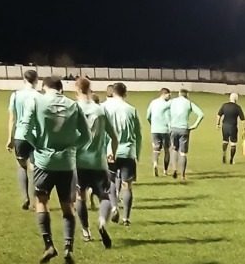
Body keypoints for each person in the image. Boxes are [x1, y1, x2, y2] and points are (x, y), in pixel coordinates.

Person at [17, 77, 90, 264]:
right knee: (68, 207)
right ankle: (68, 247)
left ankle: (49, 245)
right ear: (61, 88)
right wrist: (72, 149)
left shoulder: (36, 101)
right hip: (67, 164)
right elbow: (86, 136)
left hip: (44, 163)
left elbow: (23, 131)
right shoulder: (73, 105)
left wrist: (37, 145)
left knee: (41, 202)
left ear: (44, 87)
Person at [73, 78, 118, 248]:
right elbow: (114, 137)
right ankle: (101, 222)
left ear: (76, 89)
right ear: (90, 89)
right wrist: (112, 153)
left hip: (78, 161)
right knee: (105, 196)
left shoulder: (73, 109)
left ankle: (85, 231)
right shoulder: (100, 110)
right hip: (98, 161)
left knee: (80, 196)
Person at [102, 82, 143, 226]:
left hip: (111, 151)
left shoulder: (105, 108)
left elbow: (102, 133)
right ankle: (126, 218)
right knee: (127, 185)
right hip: (128, 151)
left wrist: (104, 150)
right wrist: (137, 153)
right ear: (126, 93)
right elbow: (138, 134)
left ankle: (114, 207)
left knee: (111, 181)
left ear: (112, 92)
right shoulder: (132, 110)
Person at [6, 70, 42, 211]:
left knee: (21, 166)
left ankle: (25, 197)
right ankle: (36, 200)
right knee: (35, 168)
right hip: (35, 136)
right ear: (36, 80)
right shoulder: (39, 96)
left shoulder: (15, 95)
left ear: (24, 79)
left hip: (20, 135)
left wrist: (10, 138)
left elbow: (12, 119)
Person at [168, 89, 204, 179]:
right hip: (184, 129)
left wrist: (169, 124)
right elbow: (201, 114)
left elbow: (165, 111)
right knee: (183, 153)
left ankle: (174, 168)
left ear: (179, 94)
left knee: (174, 149)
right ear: (187, 95)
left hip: (173, 128)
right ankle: (183, 175)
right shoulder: (189, 103)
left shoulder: (172, 102)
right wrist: (195, 125)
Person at [147, 88, 172, 176]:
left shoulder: (153, 102)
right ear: (164, 94)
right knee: (167, 150)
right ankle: (165, 170)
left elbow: (148, 116)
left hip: (155, 129)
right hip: (165, 130)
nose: (170, 97)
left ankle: (155, 164)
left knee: (156, 149)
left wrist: (152, 124)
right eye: (169, 95)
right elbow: (169, 117)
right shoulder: (167, 104)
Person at [216, 93, 245, 165]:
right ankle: (231, 160)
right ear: (236, 99)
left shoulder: (225, 105)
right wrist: (244, 129)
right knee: (233, 144)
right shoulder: (237, 107)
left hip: (225, 126)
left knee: (225, 141)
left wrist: (218, 124)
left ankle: (224, 153)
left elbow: (219, 115)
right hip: (233, 127)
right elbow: (242, 119)